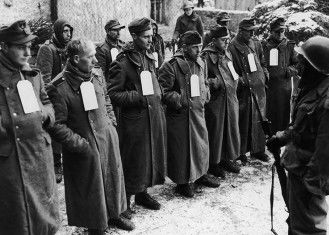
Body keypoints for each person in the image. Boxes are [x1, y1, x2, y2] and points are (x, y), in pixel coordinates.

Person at [47, 38, 134, 234]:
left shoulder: (96, 74)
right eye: (91, 56)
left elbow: (107, 101)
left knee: (112, 178)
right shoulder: (58, 86)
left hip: (106, 137)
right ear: (77, 59)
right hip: (84, 145)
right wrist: (80, 145)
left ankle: (114, 215)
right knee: (92, 188)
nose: (95, 60)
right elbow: (56, 125)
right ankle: (96, 225)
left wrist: (112, 124)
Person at [267, 36, 329, 235]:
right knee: (296, 226)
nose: (298, 66)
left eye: (303, 62)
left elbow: (328, 155)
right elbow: (300, 126)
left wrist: (311, 188)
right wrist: (281, 138)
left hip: (308, 181)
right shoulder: (312, 87)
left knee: (308, 230)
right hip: (297, 171)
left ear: (316, 67)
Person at [0, 20, 59, 235]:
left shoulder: (33, 74)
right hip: (12, 158)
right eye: (20, 46)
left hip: (39, 154)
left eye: (29, 46)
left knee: (43, 213)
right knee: (18, 218)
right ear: (5, 47)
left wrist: (45, 113)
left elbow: (47, 102)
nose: (27, 52)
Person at [108, 17, 167, 215]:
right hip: (134, 120)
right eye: (146, 37)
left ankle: (143, 192)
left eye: (151, 36)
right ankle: (125, 201)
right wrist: (137, 96)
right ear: (134, 36)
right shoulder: (122, 62)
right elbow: (113, 94)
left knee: (148, 157)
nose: (151, 40)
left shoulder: (149, 56)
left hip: (153, 116)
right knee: (133, 160)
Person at [159, 31, 219, 198]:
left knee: (201, 145)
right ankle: (183, 182)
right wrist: (181, 100)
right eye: (194, 47)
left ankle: (200, 175)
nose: (198, 50)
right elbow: (163, 92)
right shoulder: (170, 66)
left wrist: (205, 93)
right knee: (182, 150)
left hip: (198, 112)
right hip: (180, 117)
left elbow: (204, 80)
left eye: (199, 46)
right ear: (184, 47)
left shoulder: (201, 61)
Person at [36, 19, 73, 183]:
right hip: (54, 95)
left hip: (68, 95)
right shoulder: (47, 49)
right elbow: (44, 77)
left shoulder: (69, 48)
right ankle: (56, 164)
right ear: (58, 31)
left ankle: (68, 163)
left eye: (69, 31)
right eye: (65, 31)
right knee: (56, 129)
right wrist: (52, 95)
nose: (68, 34)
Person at [201, 26, 241, 178]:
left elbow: (232, 73)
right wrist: (215, 82)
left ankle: (225, 159)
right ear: (213, 41)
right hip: (216, 101)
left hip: (230, 98)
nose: (227, 42)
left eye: (228, 39)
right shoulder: (206, 56)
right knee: (216, 133)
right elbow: (201, 79)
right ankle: (213, 163)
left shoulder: (227, 52)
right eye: (223, 40)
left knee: (229, 130)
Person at [228, 18, 270, 163]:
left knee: (259, 120)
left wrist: (264, 74)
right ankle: (240, 152)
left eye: (253, 30)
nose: (252, 33)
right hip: (244, 91)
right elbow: (230, 71)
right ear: (240, 31)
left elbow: (262, 61)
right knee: (243, 121)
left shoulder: (256, 43)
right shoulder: (231, 47)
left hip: (259, 90)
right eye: (249, 31)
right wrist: (241, 81)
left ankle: (258, 150)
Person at [262, 17, 298, 134]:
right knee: (269, 114)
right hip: (269, 87)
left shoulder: (289, 46)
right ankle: (269, 137)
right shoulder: (264, 46)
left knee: (283, 114)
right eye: (277, 31)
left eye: (282, 31)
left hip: (284, 87)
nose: (280, 34)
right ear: (271, 32)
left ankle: (281, 138)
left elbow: (297, 64)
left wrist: (289, 70)